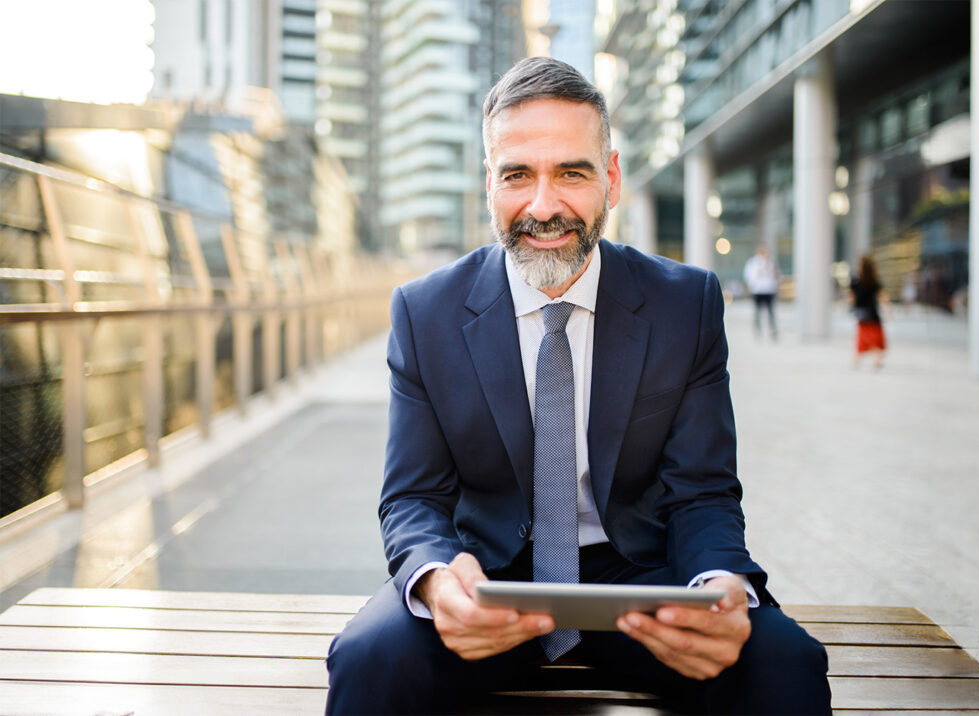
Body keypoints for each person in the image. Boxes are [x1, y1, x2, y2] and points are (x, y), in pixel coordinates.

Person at [325, 57, 831, 715]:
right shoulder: (425, 313)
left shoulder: (688, 305)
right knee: (369, 660)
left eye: (572, 172)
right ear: (488, 185)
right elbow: (414, 497)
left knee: (785, 665)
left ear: (612, 179)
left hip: (641, 582)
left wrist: (720, 586)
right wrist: (437, 577)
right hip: (487, 578)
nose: (543, 206)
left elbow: (702, 494)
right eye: (516, 176)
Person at [850, 255, 886, 369]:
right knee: (872, 337)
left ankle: (857, 360)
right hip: (872, 313)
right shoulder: (874, 281)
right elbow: (881, 297)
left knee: (863, 336)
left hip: (861, 313)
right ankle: (874, 359)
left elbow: (852, 298)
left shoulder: (856, 282)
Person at [743, 244, 780, 339]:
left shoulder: (771, 263)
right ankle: (758, 330)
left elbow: (778, 276)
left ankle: (773, 330)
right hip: (758, 290)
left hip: (769, 290)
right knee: (757, 311)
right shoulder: (753, 263)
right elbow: (749, 276)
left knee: (771, 311)